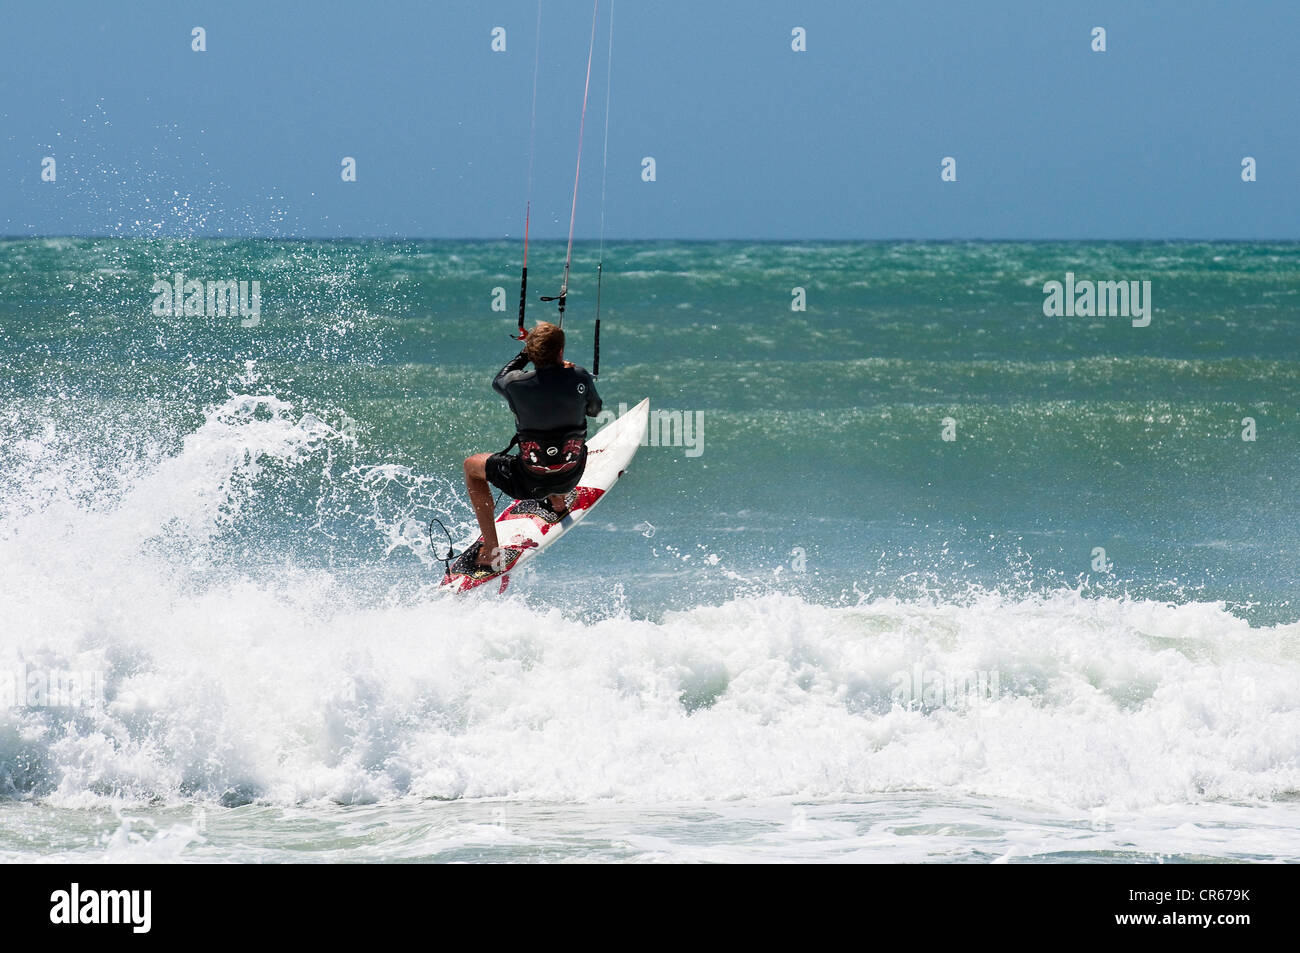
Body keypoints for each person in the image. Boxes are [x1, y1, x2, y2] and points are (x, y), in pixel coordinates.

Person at [462, 322, 602, 571]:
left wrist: (526, 351)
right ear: (560, 352)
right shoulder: (579, 376)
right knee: (564, 442)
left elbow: (499, 380)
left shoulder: (515, 384)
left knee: (472, 466)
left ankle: (491, 552)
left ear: (533, 353)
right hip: (572, 475)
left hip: (528, 481)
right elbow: (595, 410)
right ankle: (558, 504)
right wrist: (571, 377)